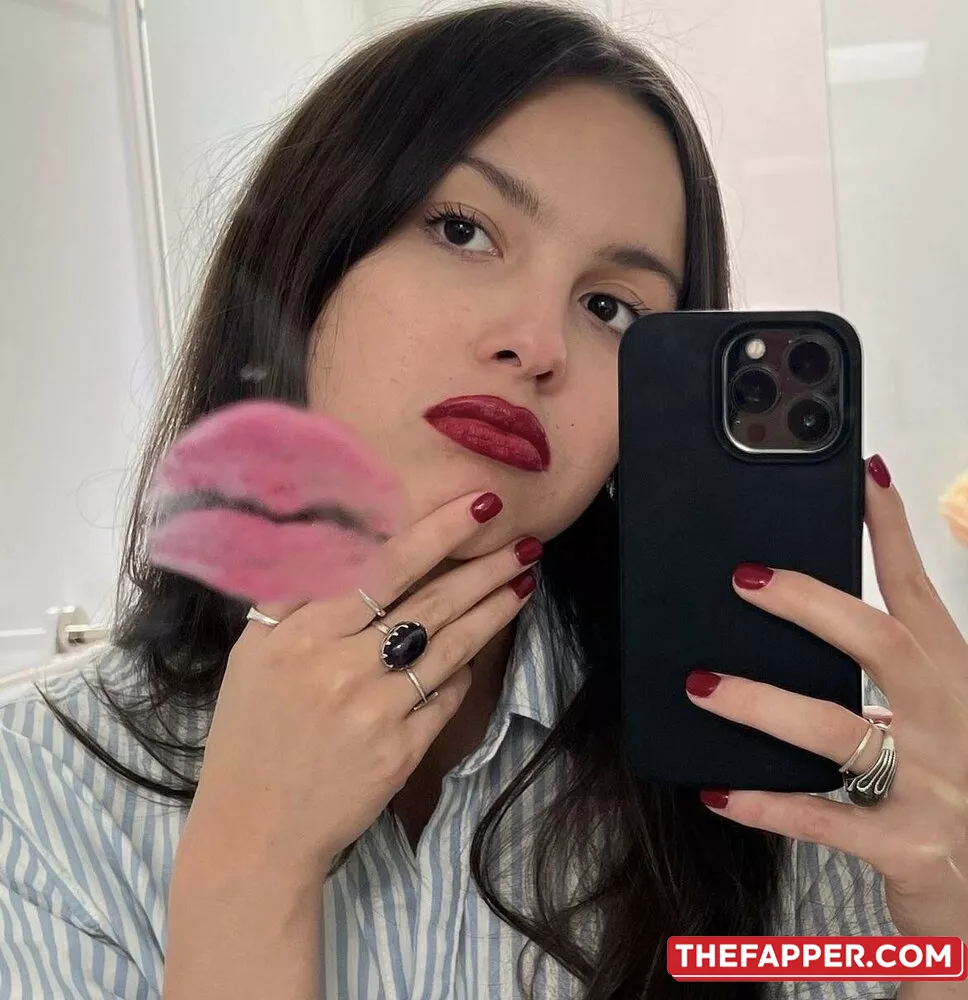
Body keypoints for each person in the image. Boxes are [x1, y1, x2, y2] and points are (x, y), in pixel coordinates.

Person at [2, 4, 967, 999]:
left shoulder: (763, 771)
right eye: (463, 231)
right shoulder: (35, 790)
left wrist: (952, 935)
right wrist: (249, 868)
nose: (537, 343)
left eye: (610, 306)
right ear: (309, 259)